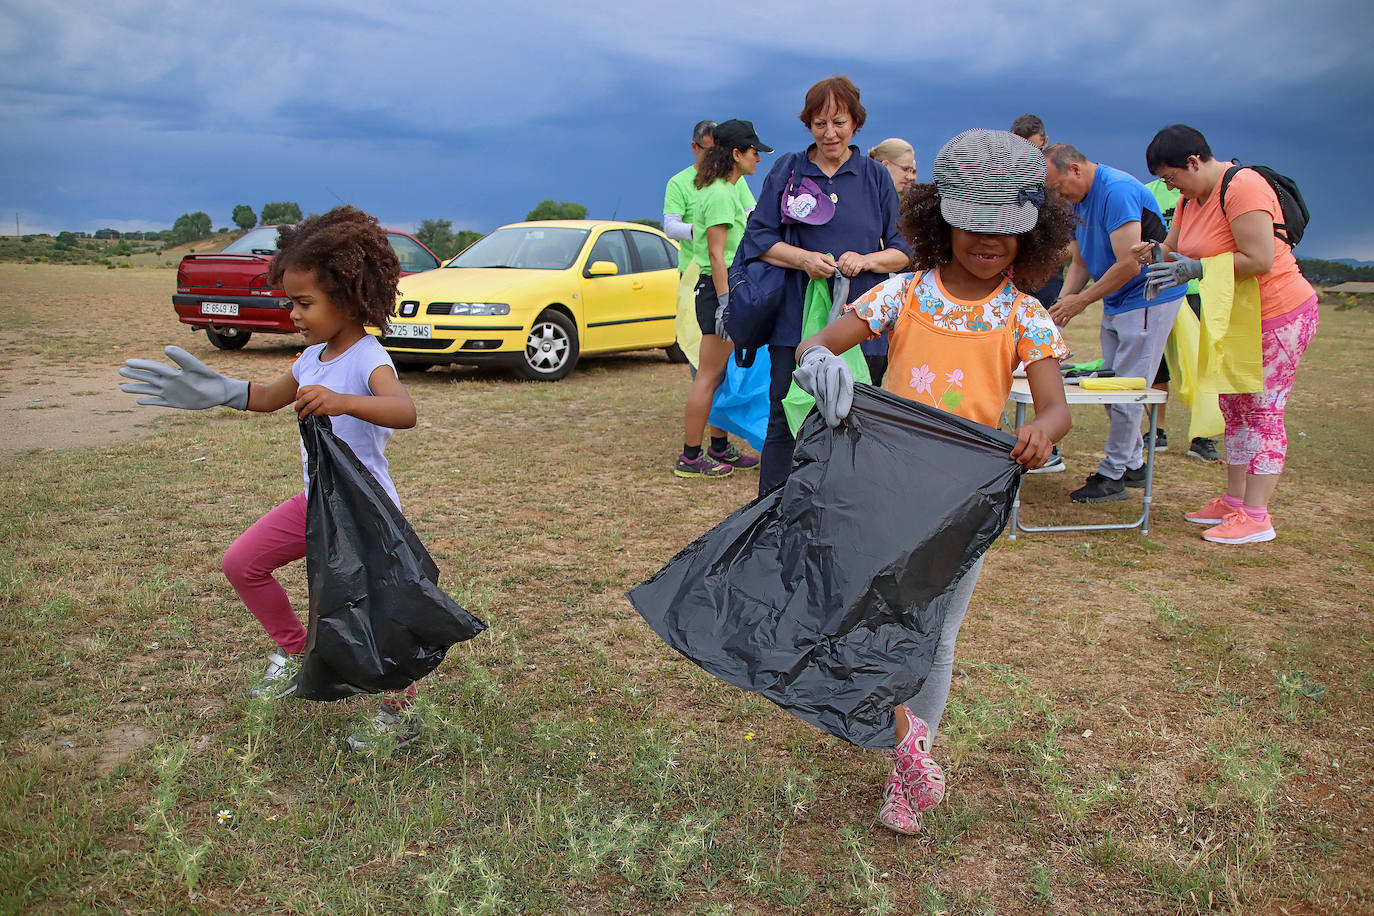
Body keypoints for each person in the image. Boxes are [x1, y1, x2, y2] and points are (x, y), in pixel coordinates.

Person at [791, 129, 1074, 835]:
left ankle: (908, 764)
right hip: (882, 489)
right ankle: (903, 735)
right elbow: (819, 345)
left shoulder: (1024, 316)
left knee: (934, 633)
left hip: (962, 500)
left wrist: (1043, 431)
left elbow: (1056, 407)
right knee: (864, 614)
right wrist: (820, 367)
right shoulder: (901, 295)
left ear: (1031, 237)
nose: (985, 241)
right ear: (939, 220)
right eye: (971, 224)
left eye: (1004, 231)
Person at [118, 206, 422, 751]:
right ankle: (297, 652)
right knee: (242, 563)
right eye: (290, 302)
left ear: (349, 298)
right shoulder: (309, 359)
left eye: (305, 303)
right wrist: (222, 392)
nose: (295, 314)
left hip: (365, 510)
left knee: (381, 611)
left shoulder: (368, 358)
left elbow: (403, 411)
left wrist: (344, 400)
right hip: (316, 502)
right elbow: (264, 398)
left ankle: (397, 715)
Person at [1137, 124, 1318, 545]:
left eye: (1172, 176)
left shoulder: (1244, 187)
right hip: (1236, 318)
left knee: (1263, 410)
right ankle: (1235, 502)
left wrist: (1196, 270)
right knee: (1234, 407)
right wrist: (1153, 256)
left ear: (1195, 162)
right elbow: (1176, 247)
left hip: (1279, 313)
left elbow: (1259, 258)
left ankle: (1258, 516)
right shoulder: (1190, 197)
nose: (1170, 186)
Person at [739, 76, 912, 494]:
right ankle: (773, 509)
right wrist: (803, 260)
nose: (830, 133)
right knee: (785, 415)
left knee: (855, 415)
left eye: (839, 122)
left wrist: (867, 259)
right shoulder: (788, 169)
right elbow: (758, 239)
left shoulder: (874, 176)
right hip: (794, 320)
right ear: (808, 125)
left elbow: (903, 251)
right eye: (819, 124)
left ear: (855, 122)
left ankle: (845, 505)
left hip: (861, 322)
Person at [1043, 143, 1187, 503]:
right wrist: (1062, 306)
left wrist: (1083, 301)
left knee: (1125, 389)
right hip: (1117, 299)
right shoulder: (1078, 200)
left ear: (1075, 169)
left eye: (1059, 187)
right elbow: (1080, 263)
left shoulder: (1117, 190)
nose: (1059, 197)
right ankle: (1134, 463)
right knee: (1109, 387)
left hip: (1148, 297)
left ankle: (1114, 475)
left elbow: (1130, 262)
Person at [674, 119, 772, 478]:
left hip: (723, 289)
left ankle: (717, 447)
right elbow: (716, 255)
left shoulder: (728, 189)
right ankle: (690, 457)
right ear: (736, 153)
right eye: (754, 152)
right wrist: (726, 303)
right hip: (717, 291)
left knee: (718, 376)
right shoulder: (718, 193)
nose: (759, 159)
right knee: (709, 376)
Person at [1144, 175, 1223, 463]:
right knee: (1156, 366)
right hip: (1161, 288)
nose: (1171, 182)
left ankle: (1202, 435)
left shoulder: (1203, 196)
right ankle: (1156, 431)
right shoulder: (1146, 192)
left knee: (1204, 363)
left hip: (1197, 290)